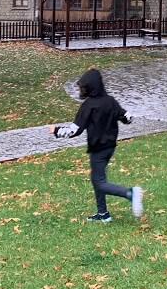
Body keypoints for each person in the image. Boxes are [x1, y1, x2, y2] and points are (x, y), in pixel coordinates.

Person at [49, 68, 143, 222]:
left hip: (98, 150)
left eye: (83, 88)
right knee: (97, 177)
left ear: (91, 87)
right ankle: (102, 213)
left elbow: (75, 130)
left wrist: (56, 130)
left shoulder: (89, 106)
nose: (82, 90)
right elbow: (126, 117)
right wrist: (128, 117)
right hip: (110, 147)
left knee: (99, 182)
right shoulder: (110, 101)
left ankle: (130, 193)